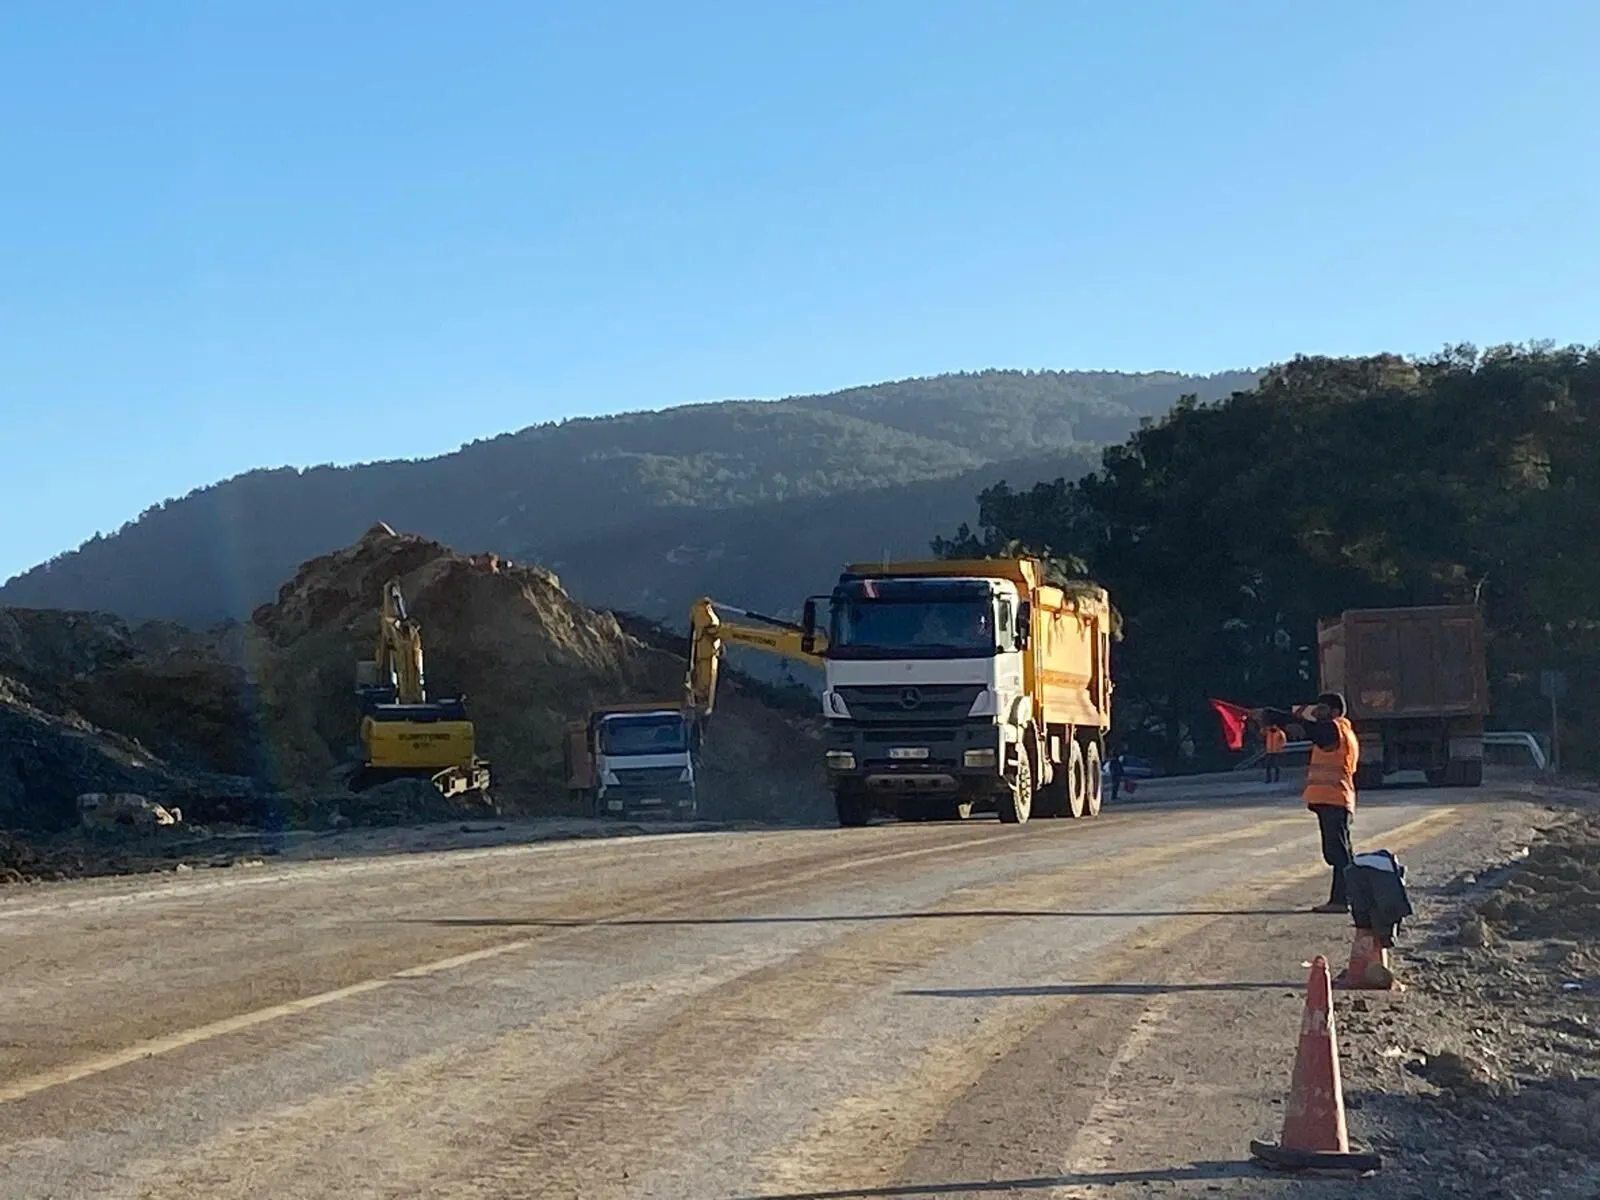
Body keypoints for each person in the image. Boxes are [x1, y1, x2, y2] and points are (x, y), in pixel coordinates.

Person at [1254, 693, 1358, 914]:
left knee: (1339, 854)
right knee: (1340, 853)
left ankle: (1342, 900)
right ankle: (1344, 898)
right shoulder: (1339, 730)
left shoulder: (1334, 729)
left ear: (1335, 711)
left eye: (1321, 709)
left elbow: (1308, 728)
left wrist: (1271, 714)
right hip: (1334, 800)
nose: (1316, 713)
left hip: (1334, 799)